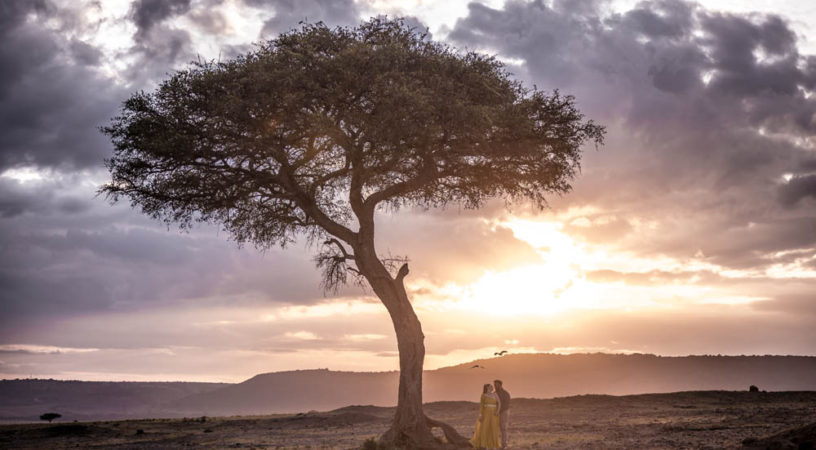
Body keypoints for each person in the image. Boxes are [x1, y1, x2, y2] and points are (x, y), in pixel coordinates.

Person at [471, 383, 501, 449]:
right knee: (485, 428)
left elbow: (499, 403)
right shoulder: (483, 395)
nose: (492, 388)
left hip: (494, 413)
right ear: (486, 388)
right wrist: (480, 414)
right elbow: (481, 406)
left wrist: (497, 411)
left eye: (492, 387)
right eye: (490, 387)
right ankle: (483, 444)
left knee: (493, 428)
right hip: (486, 413)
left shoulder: (495, 394)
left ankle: (494, 445)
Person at [494, 379, 511, 449]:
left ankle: (504, 444)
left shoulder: (506, 393)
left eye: (497, 385)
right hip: (495, 413)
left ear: (500, 385)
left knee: (503, 428)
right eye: (495, 385)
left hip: (503, 412)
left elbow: (506, 405)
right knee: (495, 428)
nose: (495, 386)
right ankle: (496, 444)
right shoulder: (494, 393)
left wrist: (499, 411)